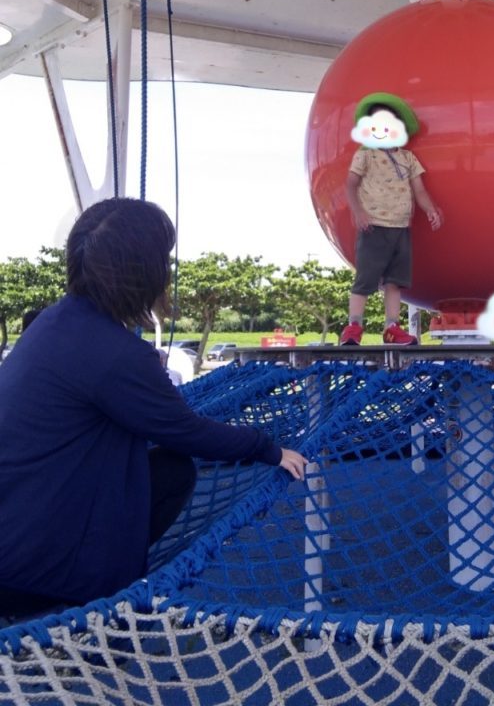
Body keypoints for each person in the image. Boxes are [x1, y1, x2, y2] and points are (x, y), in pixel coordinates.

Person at [0, 197, 307, 621]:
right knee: (175, 470)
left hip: (12, 536)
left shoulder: (53, 323)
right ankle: (95, 601)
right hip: (32, 572)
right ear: (144, 273)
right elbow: (186, 431)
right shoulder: (114, 353)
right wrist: (267, 448)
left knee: (162, 469)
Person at [340, 92, 442, 346]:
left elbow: (419, 190)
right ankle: (354, 326)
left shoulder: (408, 158)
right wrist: (358, 211)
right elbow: (350, 184)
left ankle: (392, 327)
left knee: (395, 281)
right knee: (365, 279)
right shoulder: (366, 154)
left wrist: (431, 209)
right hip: (373, 226)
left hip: (400, 227)